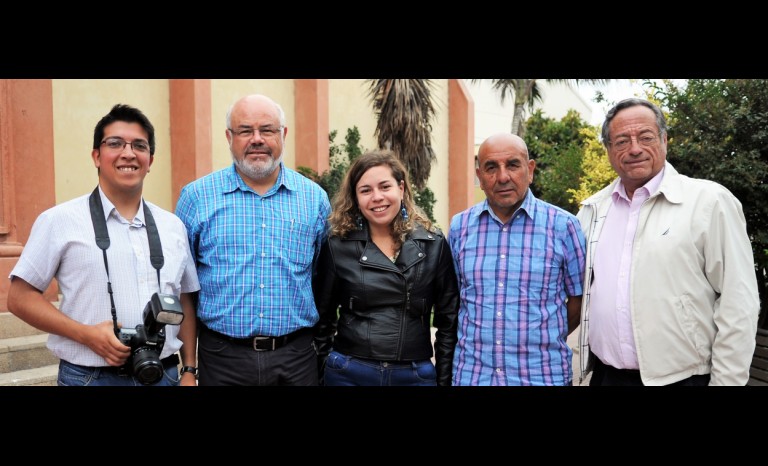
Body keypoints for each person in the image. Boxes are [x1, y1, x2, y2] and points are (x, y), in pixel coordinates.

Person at [7, 104, 200, 386]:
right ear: (96, 156)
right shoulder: (59, 220)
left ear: (150, 159)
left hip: (164, 373)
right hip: (89, 376)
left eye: (139, 146)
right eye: (115, 143)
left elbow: (184, 298)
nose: (128, 153)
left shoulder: (173, 226)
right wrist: (85, 334)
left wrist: (190, 370)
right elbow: (19, 297)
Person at [576, 98, 760, 386]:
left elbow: (739, 302)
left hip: (685, 379)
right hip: (607, 376)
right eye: (622, 141)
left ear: (664, 140)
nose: (634, 149)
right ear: (609, 150)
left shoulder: (709, 202)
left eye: (646, 137)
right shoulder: (593, 210)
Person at [175, 94, 331, 386]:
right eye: (245, 130)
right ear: (229, 137)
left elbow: (322, 277)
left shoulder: (315, 200)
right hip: (222, 359)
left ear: (283, 135)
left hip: (296, 360)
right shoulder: (196, 198)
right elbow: (185, 287)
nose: (256, 139)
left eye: (267, 130)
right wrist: (189, 368)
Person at [448, 132, 586, 386]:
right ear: (479, 177)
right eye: (491, 167)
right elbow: (456, 298)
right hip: (474, 377)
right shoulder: (460, 227)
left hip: (542, 376)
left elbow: (579, 300)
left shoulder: (565, 226)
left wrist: (541, 336)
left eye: (512, 165)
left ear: (530, 170)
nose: (502, 177)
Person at [313, 150, 459, 386]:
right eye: (366, 190)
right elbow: (322, 321)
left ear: (401, 189)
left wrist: (443, 380)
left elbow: (449, 323)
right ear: (355, 198)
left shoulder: (434, 244)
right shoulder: (337, 246)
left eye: (385, 186)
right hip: (348, 373)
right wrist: (322, 373)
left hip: (414, 375)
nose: (377, 197)